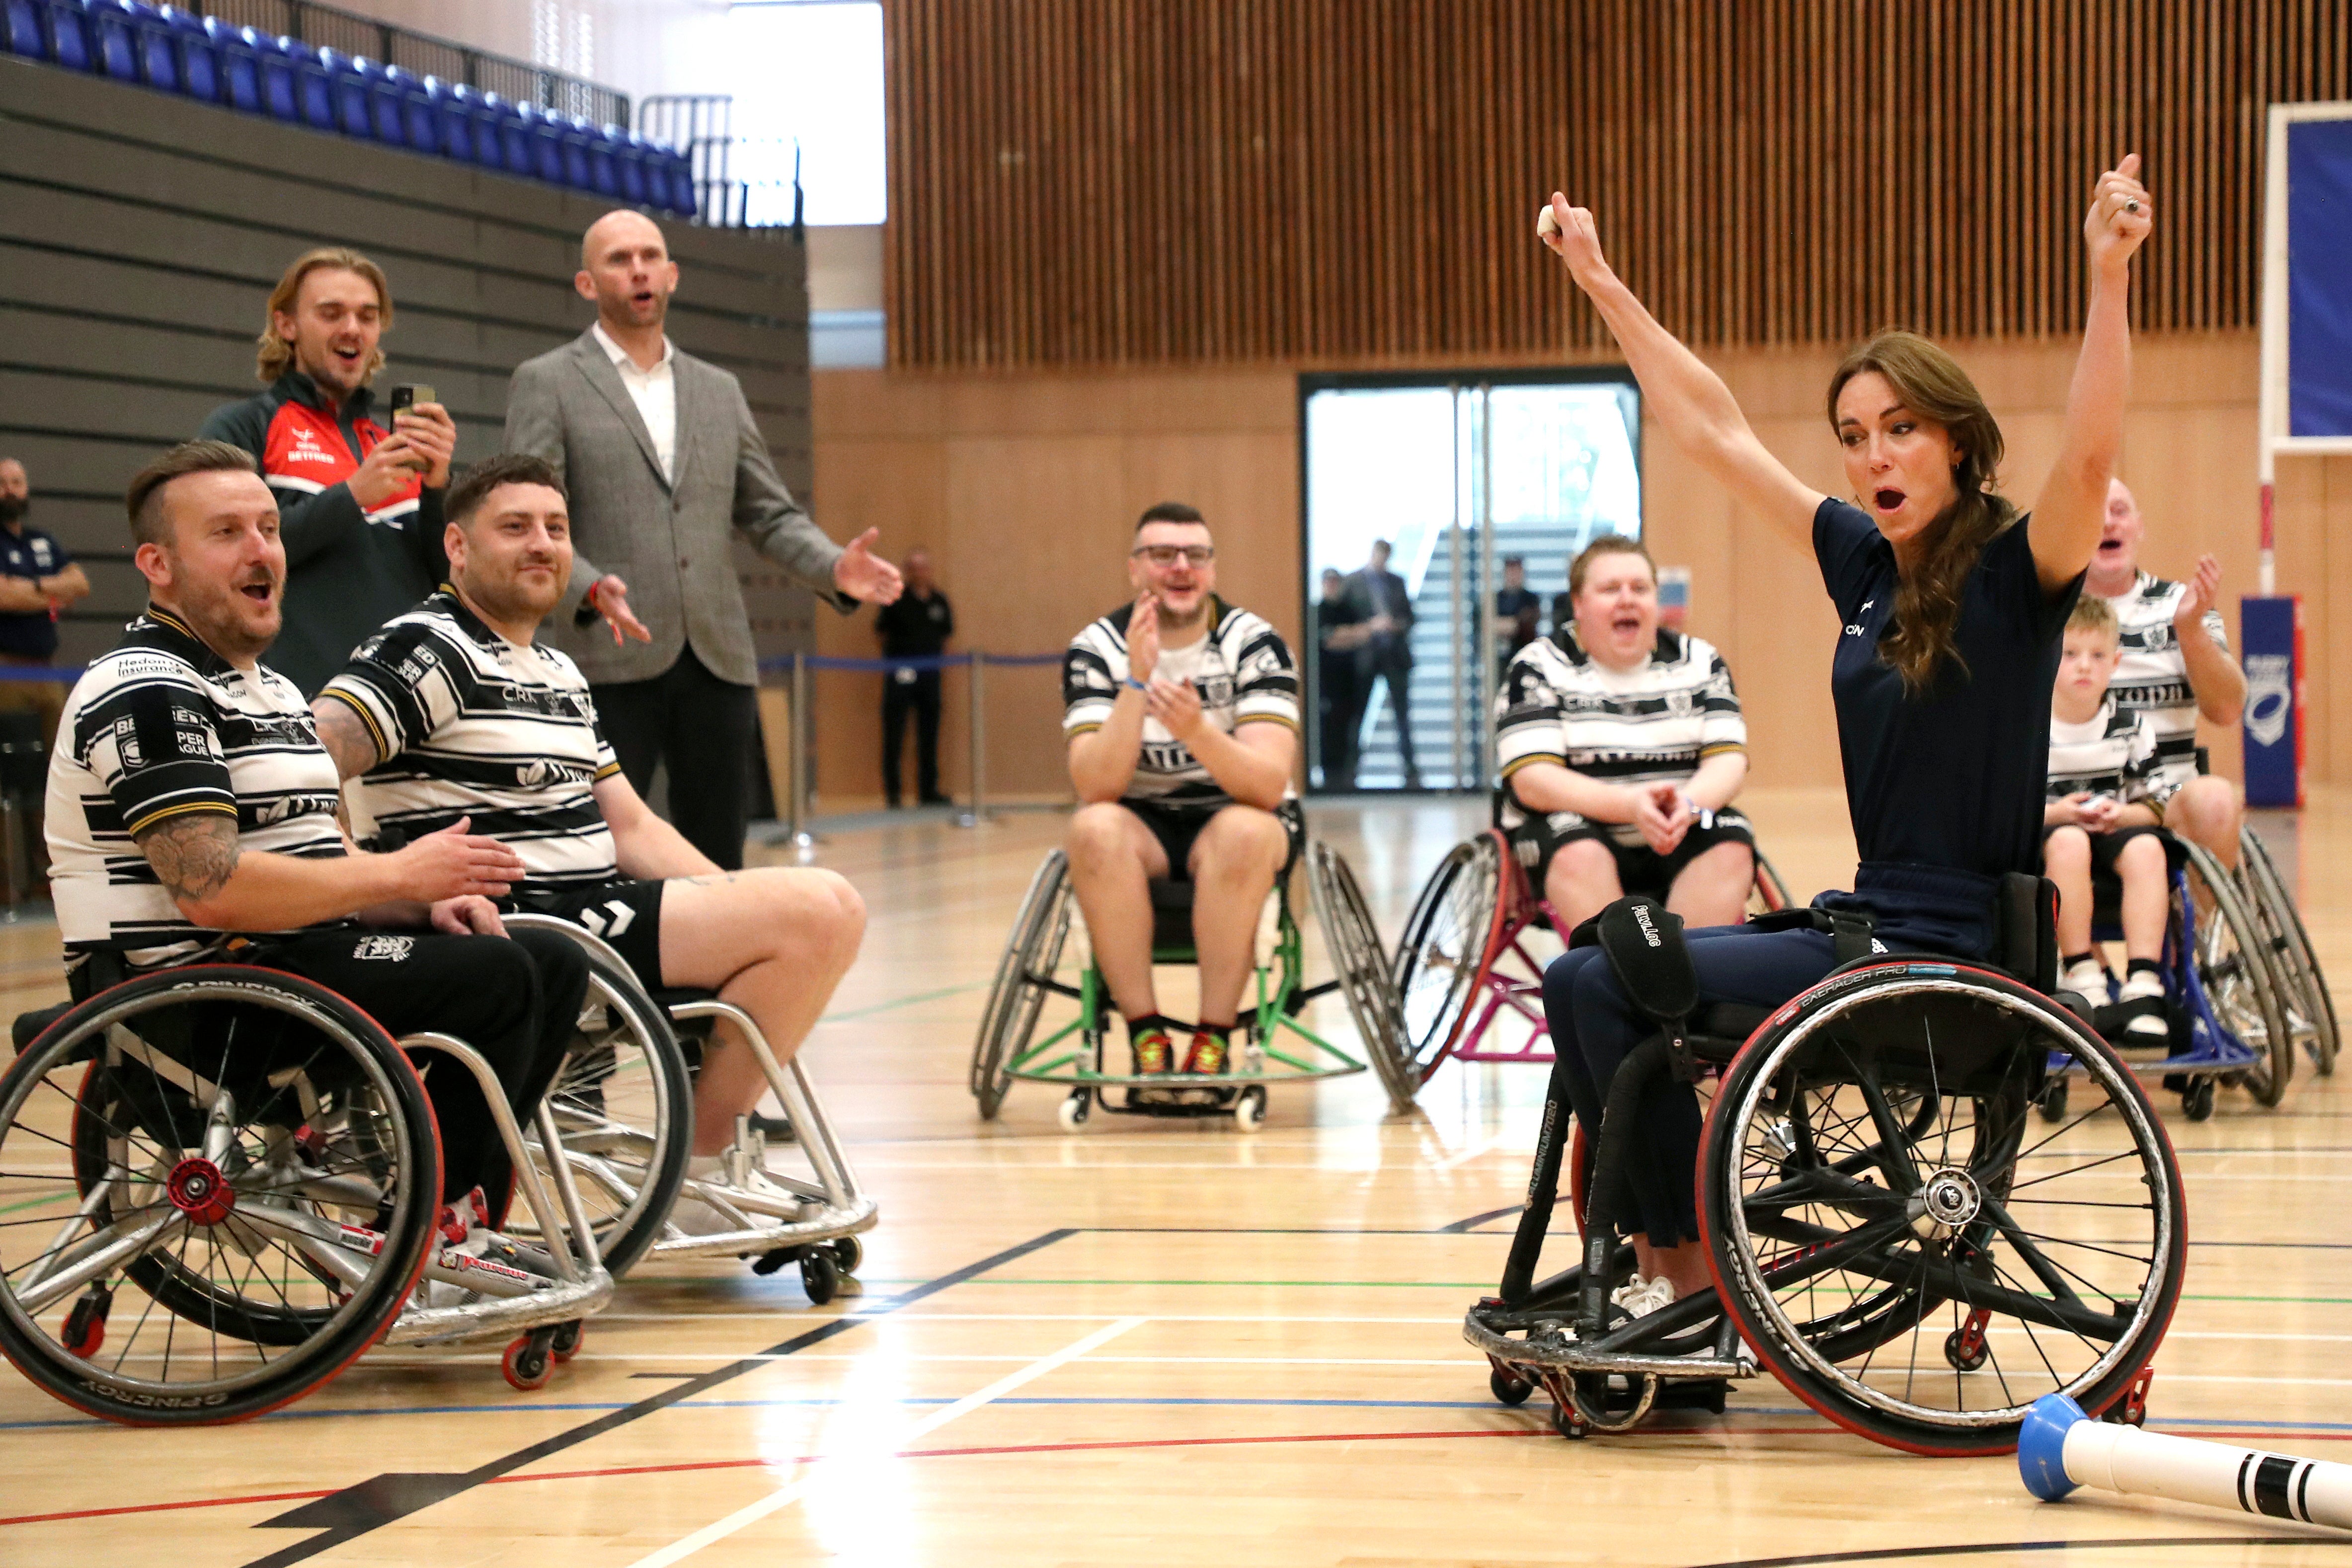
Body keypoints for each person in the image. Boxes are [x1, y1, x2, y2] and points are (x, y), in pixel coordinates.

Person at [1532, 152, 2150, 1315]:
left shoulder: (2019, 576)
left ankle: (1682, 1267)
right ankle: (1678, 1246)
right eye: (1855, 434)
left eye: (1901, 429)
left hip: (1945, 952)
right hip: (1863, 928)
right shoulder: (1864, 565)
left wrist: (2106, 278)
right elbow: (1715, 432)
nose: (1873, 456)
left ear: (1957, 443)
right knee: (1585, 972)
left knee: (1601, 983)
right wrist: (1602, 281)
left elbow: (2087, 455)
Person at [45, 440, 589, 1261]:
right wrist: (399, 869)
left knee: (546, 959)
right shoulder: (147, 686)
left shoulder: (275, 689)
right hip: (193, 999)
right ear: (156, 564)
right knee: (498, 977)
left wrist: (417, 902)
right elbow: (211, 887)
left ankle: (450, 1217)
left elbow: (317, 873)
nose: (262, 548)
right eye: (227, 532)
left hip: (283, 967)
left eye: (268, 526)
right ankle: (425, 1230)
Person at [312, 454, 868, 1234]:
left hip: (594, 906)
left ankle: (704, 1158)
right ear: (458, 548)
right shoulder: (427, 648)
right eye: (515, 528)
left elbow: (630, 825)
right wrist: (368, 880)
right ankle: (698, 1172)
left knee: (814, 912)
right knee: (823, 907)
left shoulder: (558, 670)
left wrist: (735, 901)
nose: (541, 544)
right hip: (527, 924)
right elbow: (306, 757)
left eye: (556, 529)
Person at [504, 210, 903, 870]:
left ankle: (716, 973)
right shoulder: (547, 381)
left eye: (649, 255)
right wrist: (589, 588)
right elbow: (528, 515)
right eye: (618, 258)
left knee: (719, 856)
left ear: (672, 275)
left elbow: (769, 515)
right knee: (603, 852)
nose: (637, 269)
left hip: (716, 658)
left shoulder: (720, 391)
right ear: (585, 283)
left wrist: (833, 566)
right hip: (606, 655)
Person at [1063, 502, 1301, 1081]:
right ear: (1135, 569)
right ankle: (1146, 1033)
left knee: (1244, 833)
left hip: (1237, 812)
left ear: (1212, 570)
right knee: (1092, 830)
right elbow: (1097, 784)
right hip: (1138, 818)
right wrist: (1137, 681)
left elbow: (1267, 786)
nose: (1180, 567)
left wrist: (1196, 731)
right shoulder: (1097, 646)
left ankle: (1213, 1036)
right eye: (1163, 555)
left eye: (1196, 555)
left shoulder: (1255, 643)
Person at [196, 248, 461, 697]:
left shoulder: (394, 443)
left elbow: (452, 583)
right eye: (331, 313)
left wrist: (437, 490)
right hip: (295, 699)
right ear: (287, 325)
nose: (352, 328)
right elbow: (233, 555)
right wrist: (353, 496)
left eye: (368, 316)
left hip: (410, 701)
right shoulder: (243, 426)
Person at [1496, 534, 1753, 934]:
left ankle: (1693, 979)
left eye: (1640, 588)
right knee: (1578, 850)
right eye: (1610, 589)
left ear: (1656, 601)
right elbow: (1533, 782)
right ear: (1578, 604)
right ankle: (1624, 981)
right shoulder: (1537, 667)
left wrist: (1687, 805)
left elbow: (1728, 760)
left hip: (1678, 828)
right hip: (1576, 836)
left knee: (1731, 838)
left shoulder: (1701, 661)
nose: (1627, 599)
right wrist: (1631, 807)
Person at [2088, 477, 2246, 867]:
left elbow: (2227, 709)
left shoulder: (2183, 605)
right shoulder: (2044, 611)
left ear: (2139, 526)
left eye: (2120, 512)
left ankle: (2201, 930)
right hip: (2070, 801)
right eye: (2096, 513)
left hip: (2169, 798)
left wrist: (2190, 633)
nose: (2110, 523)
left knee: (2217, 800)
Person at [2043, 595, 2173, 1045]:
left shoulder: (2130, 727)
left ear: (2116, 662)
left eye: (2097, 656)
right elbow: (2010, 812)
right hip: (2054, 840)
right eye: (2071, 654)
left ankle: (2144, 983)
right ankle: (2084, 974)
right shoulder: (2032, 728)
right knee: (2068, 843)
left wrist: (2123, 813)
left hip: (2114, 833)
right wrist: (2061, 813)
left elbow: (2157, 805)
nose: (2084, 667)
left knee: (2147, 847)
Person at [0, 457, 92, 750]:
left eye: (17, 483)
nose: (10, 491)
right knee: (13, 756)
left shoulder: (41, 539)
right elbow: (3, 596)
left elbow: (80, 585)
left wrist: (34, 587)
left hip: (46, 669)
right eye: (2, 484)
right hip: (6, 669)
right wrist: (54, 593)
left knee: (62, 754)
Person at [875, 548, 953, 808]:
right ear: (907, 571)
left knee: (929, 733)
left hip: (931, 675)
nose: (920, 572)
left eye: (924, 567)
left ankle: (928, 791)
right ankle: (894, 794)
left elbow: (946, 634)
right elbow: (881, 633)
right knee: (895, 732)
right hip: (902, 672)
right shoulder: (896, 600)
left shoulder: (939, 600)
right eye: (914, 567)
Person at [1348, 539, 1419, 787]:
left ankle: (1410, 768)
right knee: (1359, 714)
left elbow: (1410, 618)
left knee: (1402, 715)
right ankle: (1350, 768)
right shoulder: (1354, 582)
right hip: (1367, 656)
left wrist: (1394, 624)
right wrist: (1370, 627)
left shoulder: (1396, 582)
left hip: (1395, 656)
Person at [1314, 566, 1369, 790]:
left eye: (1335, 582)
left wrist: (1343, 636)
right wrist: (1348, 635)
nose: (1332, 586)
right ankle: (1331, 776)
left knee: (1351, 729)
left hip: (1350, 680)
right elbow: (1327, 640)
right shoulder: (1319, 611)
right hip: (1327, 682)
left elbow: (1363, 635)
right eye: (1328, 582)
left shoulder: (1350, 609)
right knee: (1329, 729)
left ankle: (1348, 774)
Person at [1493, 553, 1541, 678]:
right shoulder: (1495, 600)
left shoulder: (1530, 599)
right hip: (1498, 660)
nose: (1513, 575)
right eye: (1510, 571)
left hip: (1524, 658)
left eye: (1516, 571)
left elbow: (1528, 622)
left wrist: (1514, 624)